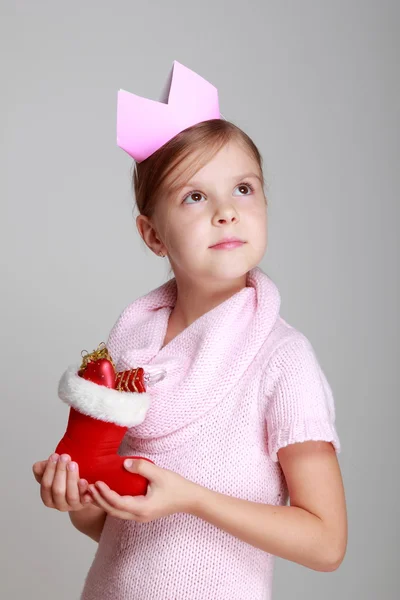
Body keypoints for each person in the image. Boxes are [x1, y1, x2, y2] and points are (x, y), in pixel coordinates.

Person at [32, 61, 347, 599]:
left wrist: (193, 498)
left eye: (243, 189)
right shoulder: (133, 356)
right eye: (195, 197)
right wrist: (79, 499)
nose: (226, 211)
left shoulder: (281, 360)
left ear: (265, 203)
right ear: (153, 235)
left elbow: (325, 542)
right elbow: (114, 528)